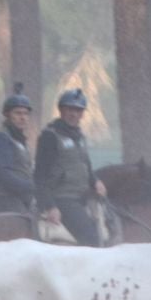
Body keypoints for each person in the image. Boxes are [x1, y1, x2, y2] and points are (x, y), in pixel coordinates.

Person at [35, 89, 109, 245]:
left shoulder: (79, 137)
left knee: (114, 222)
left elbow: (86, 166)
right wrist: (50, 206)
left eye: (78, 110)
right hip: (63, 199)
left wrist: (95, 181)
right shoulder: (50, 136)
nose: (74, 114)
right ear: (61, 110)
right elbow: (39, 175)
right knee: (92, 239)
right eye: (70, 109)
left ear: (82, 114)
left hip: (83, 196)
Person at [0, 90, 36, 216]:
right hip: (3, 199)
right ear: (7, 115)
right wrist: (31, 187)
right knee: (27, 228)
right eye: (18, 113)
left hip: (20, 198)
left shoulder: (20, 141)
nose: (22, 117)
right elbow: (3, 175)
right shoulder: (0, 139)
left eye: (26, 113)